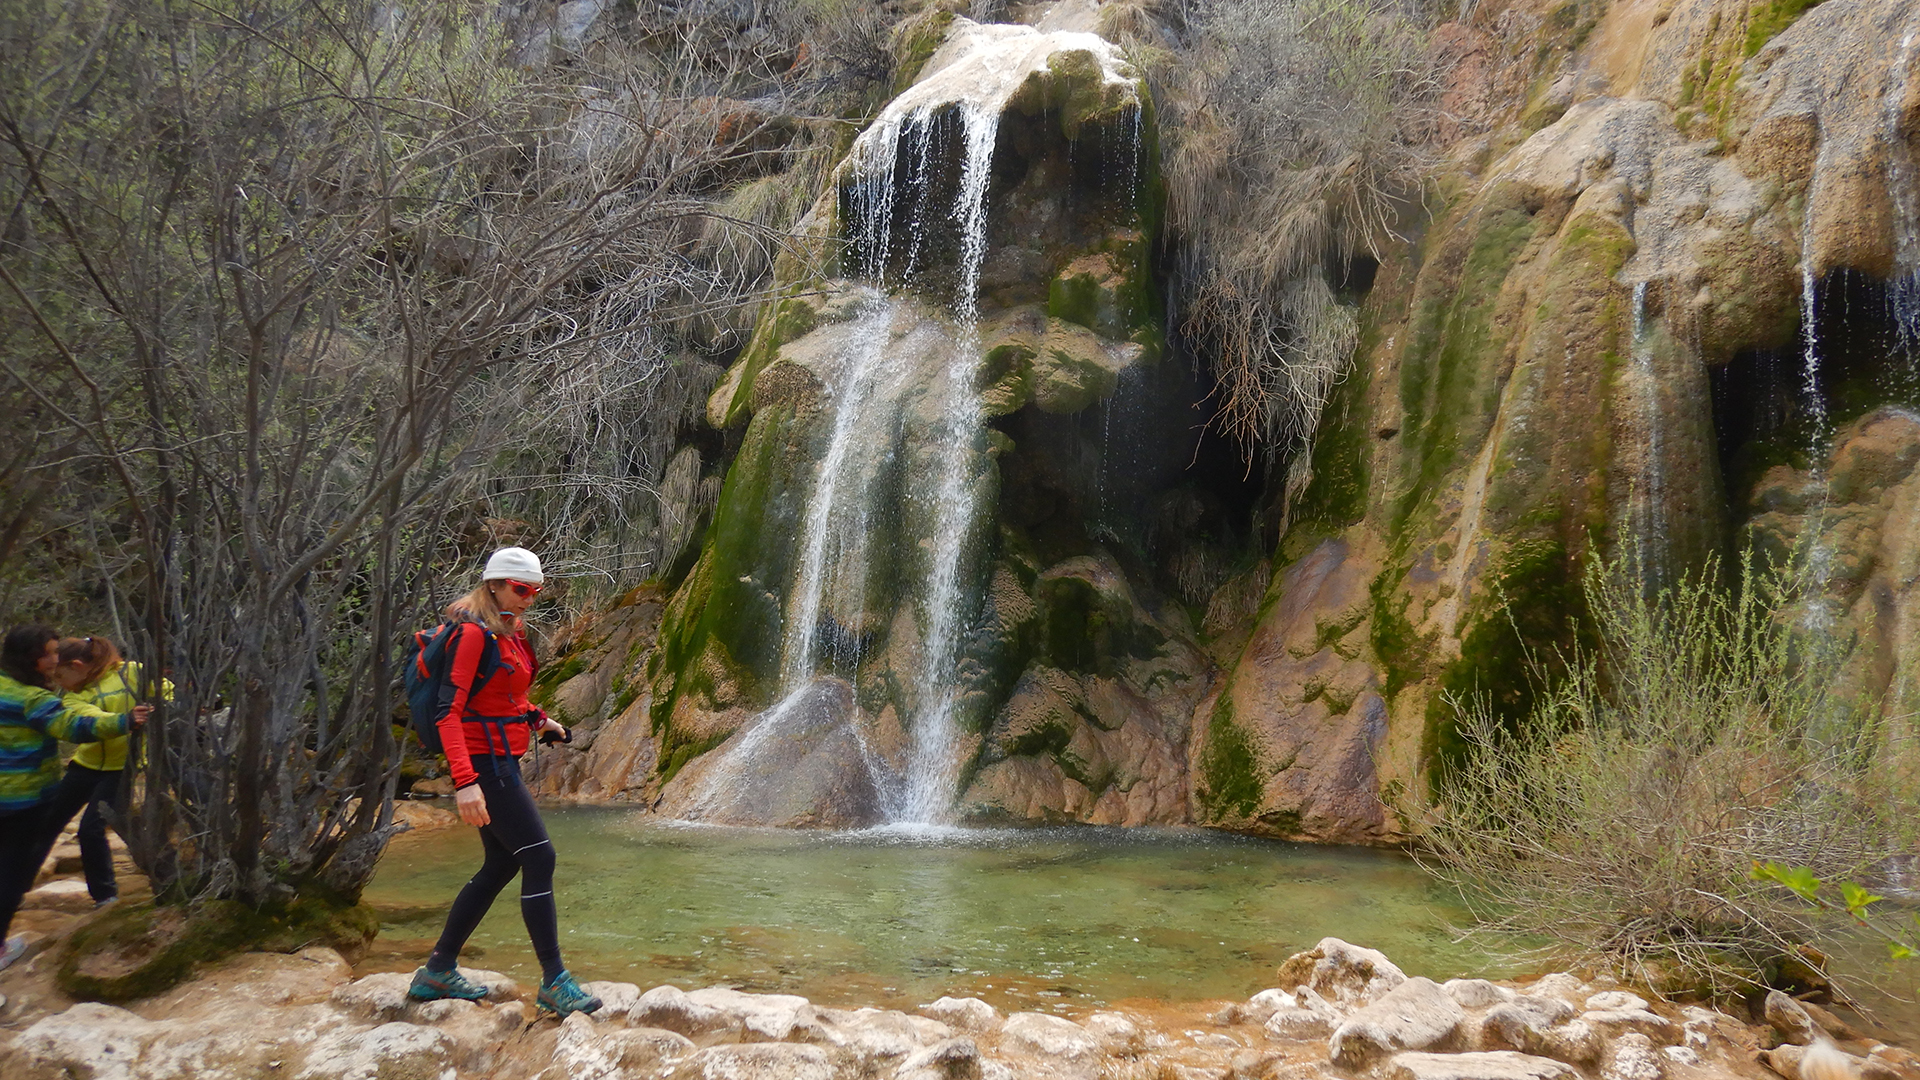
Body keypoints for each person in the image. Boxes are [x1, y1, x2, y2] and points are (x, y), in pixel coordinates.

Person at [408, 547, 601, 1017]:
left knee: (500, 864)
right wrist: (465, 782)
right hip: (484, 763)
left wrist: (540, 720)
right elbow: (449, 712)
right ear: (494, 584)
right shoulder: (472, 634)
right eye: (521, 588)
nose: (529, 598)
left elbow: (506, 698)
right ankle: (554, 981)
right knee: (539, 857)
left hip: (501, 758)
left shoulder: (508, 631)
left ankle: (438, 970)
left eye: (535, 590)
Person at [0, 625, 149, 970]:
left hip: (19, 795)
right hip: (24, 798)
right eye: (51, 653)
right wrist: (125, 722)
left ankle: (101, 895)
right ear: (34, 659)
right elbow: (75, 727)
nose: (55, 660)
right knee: (10, 872)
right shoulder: (34, 699)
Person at [40, 635, 170, 908]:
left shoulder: (133, 672)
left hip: (121, 770)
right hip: (84, 765)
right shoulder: (74, 697)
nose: (59, 684)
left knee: (90, 829)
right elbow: (91, 719)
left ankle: (105, 896)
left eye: (60, 676)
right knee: (45, 822)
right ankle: (18, 882)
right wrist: (125, 720)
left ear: (77, 666)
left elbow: (168, 695)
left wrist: (157, 708)